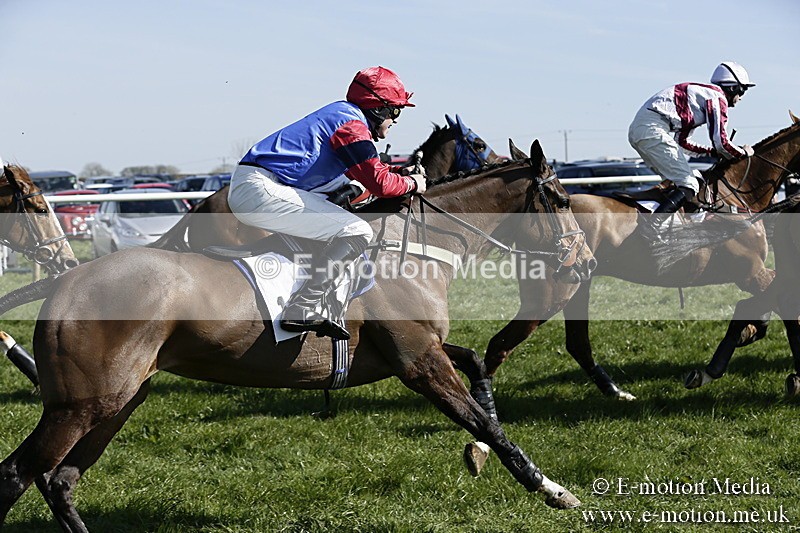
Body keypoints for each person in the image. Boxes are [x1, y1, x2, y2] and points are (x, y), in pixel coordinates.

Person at [228, 66, 425, 340]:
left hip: (263, 183)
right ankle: (303, 307)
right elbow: (381, 185)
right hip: (260, 188)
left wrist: (397, 176)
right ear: (378, 108)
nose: (396, 119)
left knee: (347, 190)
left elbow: (367, 179)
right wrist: (414, 184)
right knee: (358, 231)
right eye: (395, 111)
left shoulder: (344, 115)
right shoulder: (352, 126)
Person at [628, 61, 756, 214]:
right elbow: (721, 142)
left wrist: (712, 153)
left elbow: (682, 143)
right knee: (690, 184)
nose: (740, 98)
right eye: (742, 92)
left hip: (642, 129)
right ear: (733, 87)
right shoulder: (717, 98)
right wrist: (743, 153)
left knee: (681, 181)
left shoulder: (700, 97)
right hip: (652, 129)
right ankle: (654, 224)